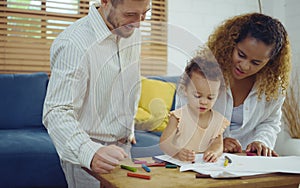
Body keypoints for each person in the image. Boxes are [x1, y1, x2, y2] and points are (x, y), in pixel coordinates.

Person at [42, 0, 150, 187]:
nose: (138, 23)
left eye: (144, 14)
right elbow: (56, 111)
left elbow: (130, 81)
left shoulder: (132, 32)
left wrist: (128, 126)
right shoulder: (74, 43)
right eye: (130, 14)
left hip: (123, 149)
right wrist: (89, 152)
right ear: (105, 2)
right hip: (90, 152)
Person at [207, 13, 291, 157]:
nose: (245, 66)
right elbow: (185, 118)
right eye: (241, 55)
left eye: (256, 62)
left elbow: (270, 122)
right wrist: (216, 141)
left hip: (247, 161)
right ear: (230, 44)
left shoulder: (273, 86)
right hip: (204, 157)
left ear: (270, 62)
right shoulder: (202, 72)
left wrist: (261, 141)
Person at [159, 48, 230, 163]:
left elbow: (218, 145)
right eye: (197, 96)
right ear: (185, 90)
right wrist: (177, 152)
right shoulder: (178, 117)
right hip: (177, 167)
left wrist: (213, 153)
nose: (204, 102)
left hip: (201, 168)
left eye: (210, 97)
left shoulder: (217, 120)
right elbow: (164, 143)